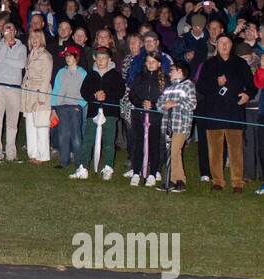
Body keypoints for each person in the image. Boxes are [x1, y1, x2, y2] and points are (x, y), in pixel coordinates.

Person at [196, 34, 255, 193]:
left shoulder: (240, 63)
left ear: (231, 45)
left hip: (234, 111)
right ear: (216, 45)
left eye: (227, 43)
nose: (224, 45)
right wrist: (216, 82)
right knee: (215, 150)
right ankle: (217, 181)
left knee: (235, 149)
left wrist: (248, 95)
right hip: (214, 111)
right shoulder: (208, 64)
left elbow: (251, 85)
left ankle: (237, 182)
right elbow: (200, 87)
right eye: (221, 42)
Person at [78, 48, 125, 180]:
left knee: (109, 141)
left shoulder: (115, 75)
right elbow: (84, 91)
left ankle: (108, 167)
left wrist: (106, 95)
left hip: (110, 112)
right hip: (93, 112)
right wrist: (94, 95)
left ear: (109, 60)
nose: (100, 61)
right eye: (98, 58)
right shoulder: (91, 74)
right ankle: (83, 167)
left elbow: (120, 91)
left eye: (103, 58)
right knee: (88, 140)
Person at [156, 59, 198, 192]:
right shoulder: (168, 88)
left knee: (174, 150)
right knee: (171, 152)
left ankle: (180, 180)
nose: (169, 73)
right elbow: (159, 104)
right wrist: (165, 105)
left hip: (181, 125)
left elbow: (192, 104)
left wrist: (175, 104)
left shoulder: (188, 85)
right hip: (168, 125)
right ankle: (171, 180)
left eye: (172, 70)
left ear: (180, 71)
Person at [0, 21, 27, 162]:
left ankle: (11, 152)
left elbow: (21, 64)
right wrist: (5, 45)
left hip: (14, 89)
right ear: (2, 31)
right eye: (6, 29)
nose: (9, 31)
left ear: (15, 32)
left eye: (11, 29)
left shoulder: (22, 47)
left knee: (12, 123)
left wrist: (5, 60)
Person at [128, 53, 166, 187]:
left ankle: (152, 173)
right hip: (139, 115)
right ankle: (136, 172)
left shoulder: (164, 80)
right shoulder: (140, 77)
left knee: (154, 145)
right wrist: (141, 103)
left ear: (159, 64)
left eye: (154, 61)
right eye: (148, 61)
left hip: (155, 117)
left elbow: (165, 99)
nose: (151, 64)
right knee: (138, 144)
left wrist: (154, 105)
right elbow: (132, 94)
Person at [51, 43, 87, 173]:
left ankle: (78, 162)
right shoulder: (61, 72)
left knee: (76, 136)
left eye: (70, 56)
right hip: (62, 107)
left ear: (76, 57)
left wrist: (80, 105)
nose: (67, 58)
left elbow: (86, 91)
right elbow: (56, 90)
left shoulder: (82, 73)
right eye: (66, 56)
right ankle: (64, 160)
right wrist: (53, 107)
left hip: (75, 108)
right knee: (63, 135)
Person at [20, 29, 53, 164]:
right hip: (29, 93)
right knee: (30, 125)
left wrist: (42, 97)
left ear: (42, 39)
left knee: (41, 125)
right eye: (32, 37)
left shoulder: (45, 56)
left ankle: (43, 155)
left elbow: (46, 78)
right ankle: (33, 154)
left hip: (40, 92)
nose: (34, 40)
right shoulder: (30, 54)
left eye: (37, 37)